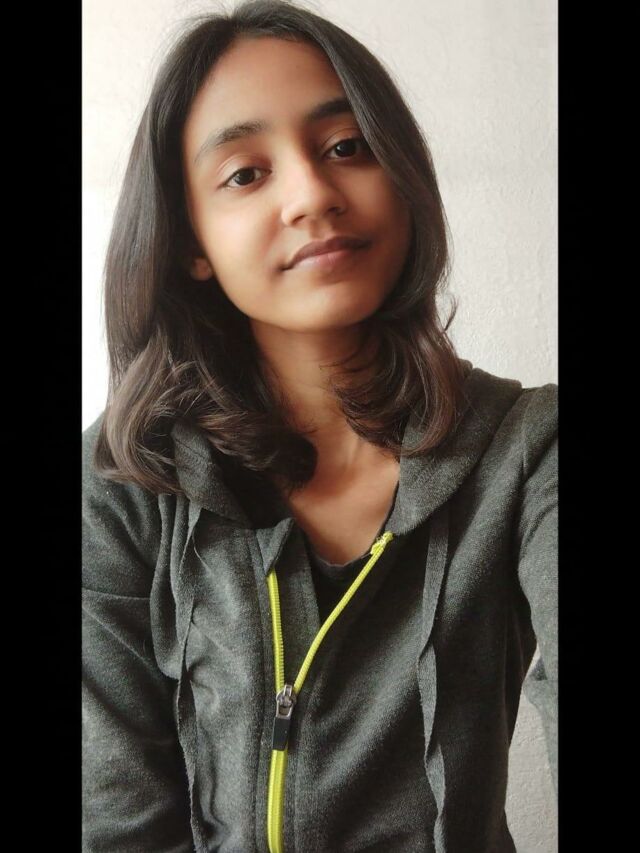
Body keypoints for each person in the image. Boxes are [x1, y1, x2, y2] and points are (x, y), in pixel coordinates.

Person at [82, 1, 557, 851]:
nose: (312, 195)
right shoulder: (123, 478)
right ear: (192, 242)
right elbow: (116, 821)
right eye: (246, 173)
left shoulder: (530, 449)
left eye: (346, 147)